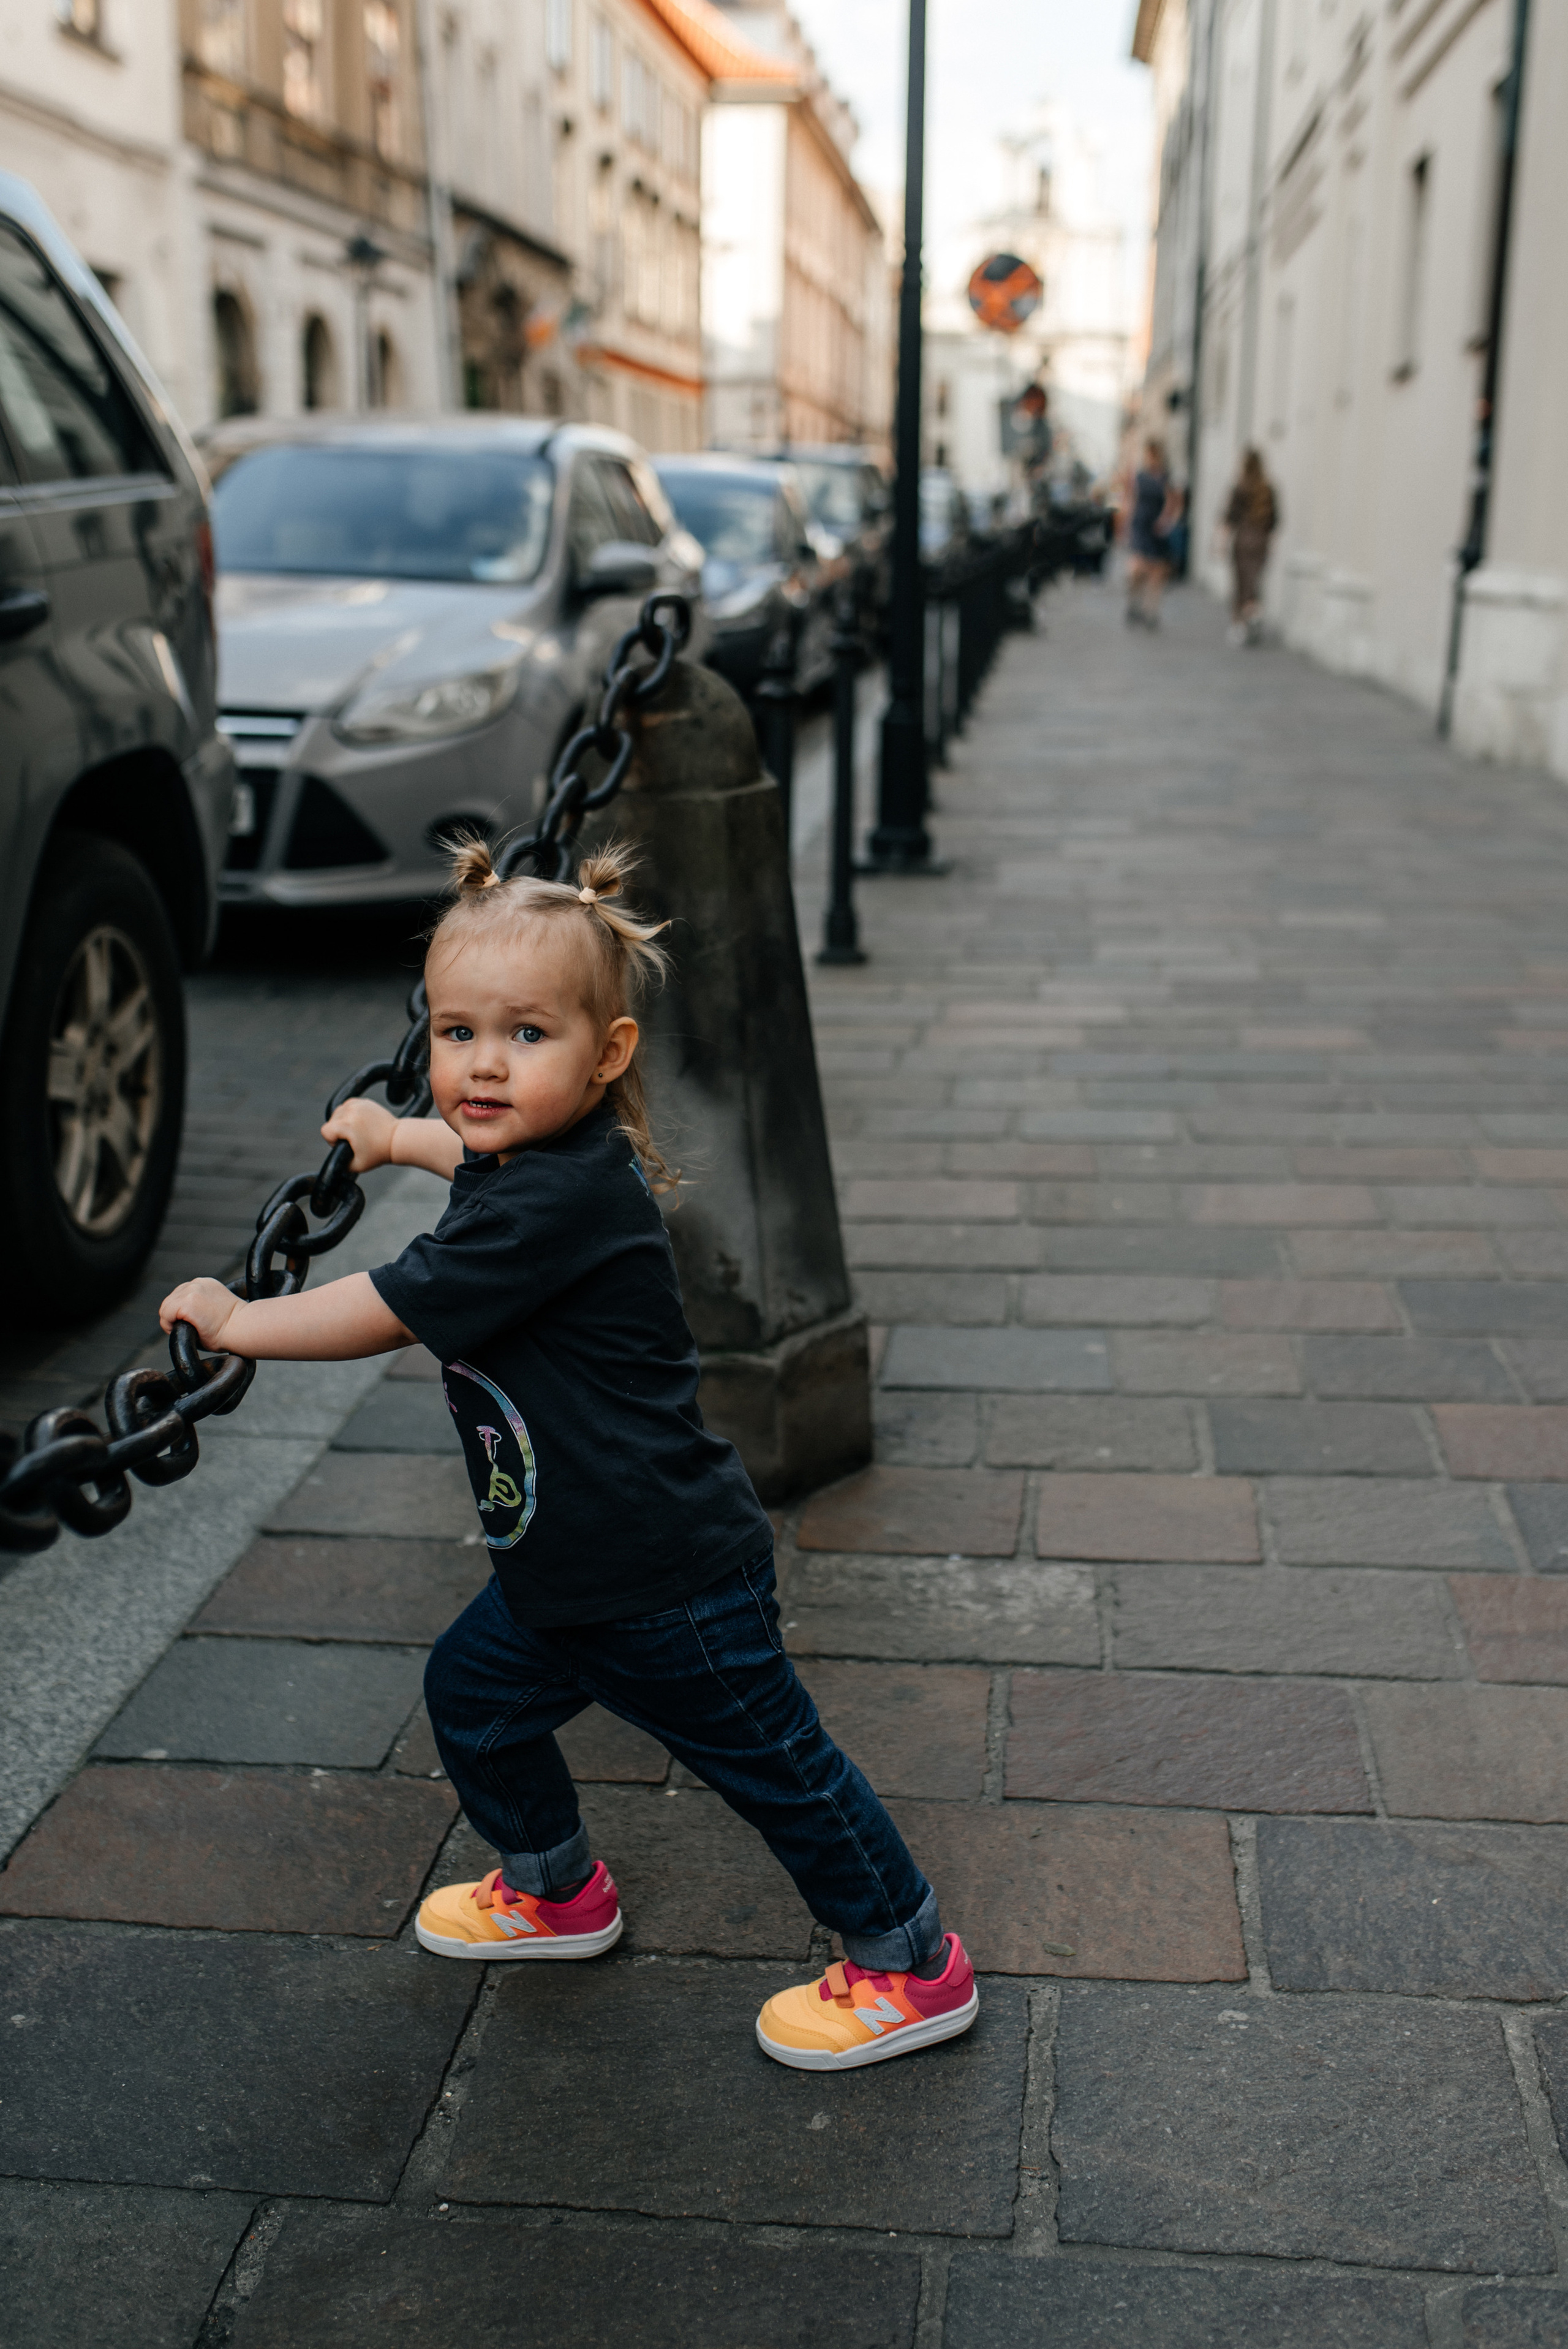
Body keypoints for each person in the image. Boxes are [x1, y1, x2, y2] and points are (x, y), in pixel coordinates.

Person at [158, 838, 978, 2073]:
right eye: (456, 1031)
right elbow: (478, 1154)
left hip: (661, 1577)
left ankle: (910, 1960)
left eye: (527, 1034)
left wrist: (240, 1322)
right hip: (565, 1570)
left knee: (779, 1769)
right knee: (473, 1700)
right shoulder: (543, 1161)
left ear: (607, 1053)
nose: (483, 1064)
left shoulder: (552, 1204)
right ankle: (555, 1890)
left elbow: (385, 1305)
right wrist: (399, 1135)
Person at [1224, 448, 1278, 646]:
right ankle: (1254, 612)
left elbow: (1230, 518)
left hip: (1243, 540)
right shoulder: (1267, 489)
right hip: (1261, 541)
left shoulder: (1240, 487)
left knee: (1241, 584)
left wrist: (1222, 543)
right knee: (1254, 584)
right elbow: (1274, 521)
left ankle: (1241, 623)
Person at [1125, 437, 1180, 627]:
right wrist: (1127, 525)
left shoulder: (1165, 477)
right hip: (1141, 526)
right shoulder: (1140, 476)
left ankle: (1151, 611)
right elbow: (1131, 500)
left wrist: (1165, 520)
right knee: (1137, 569)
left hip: (1157, 528)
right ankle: (1134, 603)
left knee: (1156, 572)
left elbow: (1172, 501)